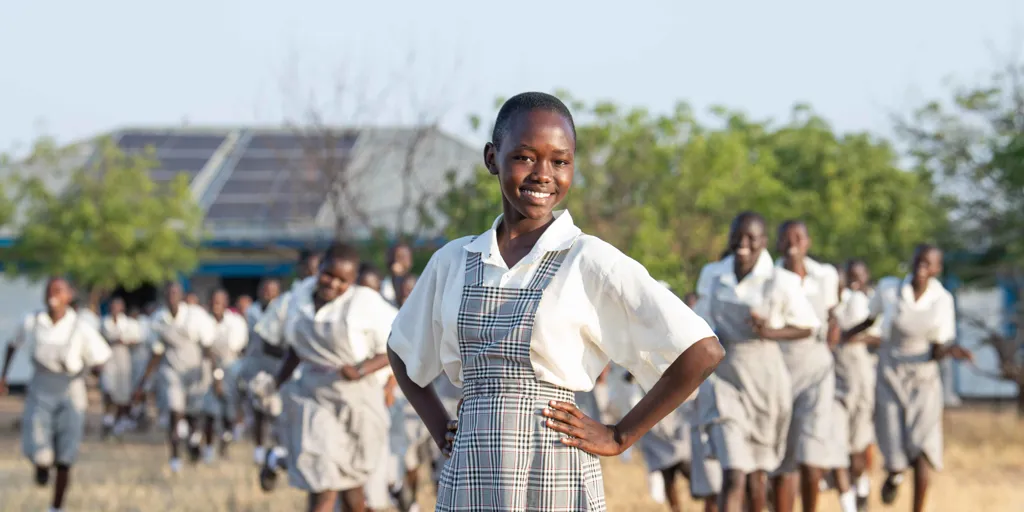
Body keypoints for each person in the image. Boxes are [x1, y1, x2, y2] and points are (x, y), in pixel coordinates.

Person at [387, 92, 723, 511]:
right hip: (471, 465)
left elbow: (702, 350)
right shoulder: (454, 260)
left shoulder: (589, 260)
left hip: (554, 462)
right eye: (525, 157)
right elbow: (401, 349)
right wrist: (440, 427)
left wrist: (620, 435)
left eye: (560, 161)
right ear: (492, 158)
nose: (542, 174)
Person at [692, 212, 818, 512]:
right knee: (733, 471)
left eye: (752, 238)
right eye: (738, 235)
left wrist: (769, 331)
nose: (743, 243)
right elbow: (700, 321)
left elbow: (808, 326)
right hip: (724, 378)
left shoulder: (780, 281)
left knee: (756, 477)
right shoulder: (712, 273)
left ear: (763, 242)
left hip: (765, 383)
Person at [841, 244, 972, 512]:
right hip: (890, 373)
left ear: (937, 269)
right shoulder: (889, 289)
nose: (922, 267)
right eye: (918, 261)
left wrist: (951, 351)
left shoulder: (942, 300)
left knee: (922, 449)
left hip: (923, 378)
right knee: (892, 444)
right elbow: (870, 320)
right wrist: (846, 335)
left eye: (929, 263)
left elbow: (938, 347)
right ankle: (894, 473)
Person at [272, 243, 398, 512]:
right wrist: (275, 384)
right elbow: (295, 348)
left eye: (343, 280)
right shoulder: (300, 295)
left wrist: (362, 369)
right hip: (313, 396)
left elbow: (399, 344)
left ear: (352, 282)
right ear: (320, 269)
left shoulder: (364, 302)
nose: (333, 283)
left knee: (352, 485)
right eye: (329, 274)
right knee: (322, 478)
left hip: (356, 400)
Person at [0, 277, 112, 512]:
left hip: (71, 388)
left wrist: (97, 376)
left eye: (58, 291)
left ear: (68, 296)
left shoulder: (80, 327)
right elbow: (12, 344)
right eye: (49, 290)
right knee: (39, 449)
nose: (52, 295)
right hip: (41, 386)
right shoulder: (32, 322)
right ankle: (41, 467)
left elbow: (100, 357)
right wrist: (4, 376)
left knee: (66, 453)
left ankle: (56, 507)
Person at [774, 220, 852, 512]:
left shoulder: (825, 275)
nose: (792, 242)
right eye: (786, 237)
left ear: (808, 242)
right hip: (780, 367)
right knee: (784, 456)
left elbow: (832, 315)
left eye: (798, 237)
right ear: (778, 243)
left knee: (811, 453)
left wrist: (834, 328)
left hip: (816, 368)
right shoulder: (771, 277)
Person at [132, 282, 216, 473]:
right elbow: (156, 352)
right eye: (168, 293)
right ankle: (175, 457)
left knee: (193, 414)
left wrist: (215, 374)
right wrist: (143, 381)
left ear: (181, 296)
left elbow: (207, 347)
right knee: (174, 411)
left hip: (194, 369)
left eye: (175, 293)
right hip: (171, 370)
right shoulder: (158, 320)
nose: (172, 297)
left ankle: (194, 440)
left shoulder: (195, 317)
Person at [831, 260, 881, 510]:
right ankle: (847, 502)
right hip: (832, 383)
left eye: (857, 278)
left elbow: (880, 336)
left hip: (860, 382)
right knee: (836, 443)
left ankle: (860, 485)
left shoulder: (867, 303)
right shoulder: (830, 303)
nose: (852, 284)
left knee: (857, 448)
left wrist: (852, 337)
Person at [201, 289, 249, 462]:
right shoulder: (203, 321)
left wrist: (221, 375)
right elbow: (207, 348)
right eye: (214, 300)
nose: (217, 305)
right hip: (208, 368)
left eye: (220, 301)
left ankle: (225, 444)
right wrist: (215, 375)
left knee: (229, 412)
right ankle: (207, 448)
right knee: (210, 412)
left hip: (231, 368)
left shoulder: (235, 322)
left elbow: (236, 347)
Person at [239, 277, 282, 463]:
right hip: (256, 366)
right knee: (257, 409)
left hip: (276, 367)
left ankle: (278, 446)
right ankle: (258, 448)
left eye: (272, 290)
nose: (268, 293)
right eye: (265, 289)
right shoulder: (251, 312)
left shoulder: (282, 311)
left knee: (276, 409)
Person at [100, 297, 144, 438]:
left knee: (123, 392)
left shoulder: (129, 324)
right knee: (108, 389)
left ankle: (119, 420)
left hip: (124, 359)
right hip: (108, 358)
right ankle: (108, 419)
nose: (115, 309)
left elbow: (137, 341)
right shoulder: (104, 323)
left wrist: (124, 340)